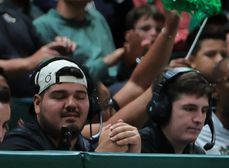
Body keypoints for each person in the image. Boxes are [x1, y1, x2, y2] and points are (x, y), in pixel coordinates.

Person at [1, 58, 139, 152]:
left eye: (80, 97)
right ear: (37, 103)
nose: (71, 104)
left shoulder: (86, 147)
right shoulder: (17, 146)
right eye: (59, 96)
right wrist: (100, 160)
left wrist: (131, 161)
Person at [32, 0, 118, 82]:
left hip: (117, 86)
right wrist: (105, 63)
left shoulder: (97, 17)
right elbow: (58, 79)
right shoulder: (43, 26)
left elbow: (115, 70)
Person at [139, 67, 211, 154]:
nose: (199, 120)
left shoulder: (198, 155)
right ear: (163, 108)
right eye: (190, 109)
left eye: (204, 111)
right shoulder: (136, 149)